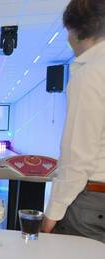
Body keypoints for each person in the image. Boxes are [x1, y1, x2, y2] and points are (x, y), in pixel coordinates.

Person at [42, 0, 105, 243]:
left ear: (77, 30)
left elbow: (77, 155)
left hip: (92, 201)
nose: (67, 39)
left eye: (67, 30)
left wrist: (52, 213)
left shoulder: (90, 73)